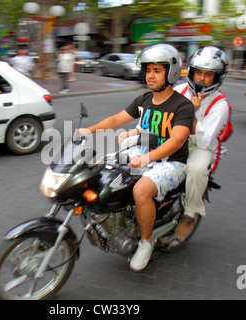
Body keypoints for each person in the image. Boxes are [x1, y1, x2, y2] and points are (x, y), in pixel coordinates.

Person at [77, 44, 194, 271]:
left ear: (170, 72)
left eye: (157, 70)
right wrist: (88, 131)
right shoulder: (144, 100)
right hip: (142, 153)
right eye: (148, 70)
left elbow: (176, 141)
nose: (150, 75)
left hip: (171, 162)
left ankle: (145, 242)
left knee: (141, 190)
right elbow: (115, 120)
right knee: (100, 166)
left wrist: (148, 157)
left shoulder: (183, 106)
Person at [173, 46, 230, 240]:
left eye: (208, 74)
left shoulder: (220, 105)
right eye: (198, 72)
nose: (201, 79)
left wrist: (193, 115)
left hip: (200, 146)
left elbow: (204, 140)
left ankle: (190, 214)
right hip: (174, 137)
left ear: (217, 77)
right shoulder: (180, 89)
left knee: (196, 169)